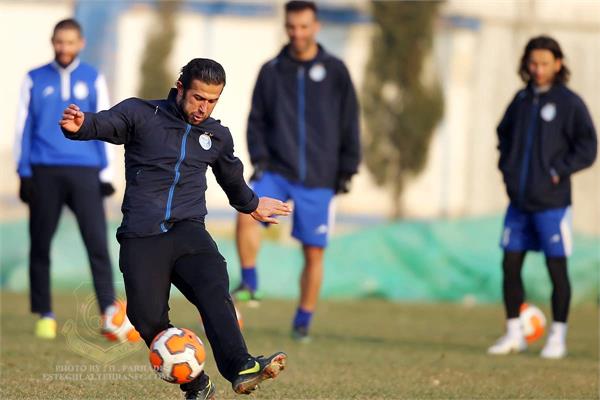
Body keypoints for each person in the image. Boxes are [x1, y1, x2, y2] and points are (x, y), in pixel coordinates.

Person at [60, 58, 290, 399]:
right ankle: (196, 384)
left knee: (213, 285)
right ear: (180, 87)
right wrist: (79, 125)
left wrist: (252, 204)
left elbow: (231, 180)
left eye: (212, 101)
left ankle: (241, 366)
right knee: (145, 317)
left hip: (188, 231)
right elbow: (103, 123)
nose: (204, 108)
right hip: (142, 235)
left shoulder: (217, 135)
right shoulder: (142, 114)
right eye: (198, 97)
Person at [233, 0, 361, 342]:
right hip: (275, 168)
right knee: (247, 209)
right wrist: (259, 157)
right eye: (291, 26)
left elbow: (350, 121)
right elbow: (255, 119)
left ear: (316, 27)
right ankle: (249, 280)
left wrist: (348, 167)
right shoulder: (272, 70)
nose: (297, 33)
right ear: (286, 27)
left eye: (304, 26)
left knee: (313, 252)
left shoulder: (335, 70)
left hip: (320, 174)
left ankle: (303, 320)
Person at [489, 35, 597, 359]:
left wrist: (557, 171)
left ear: (558, 64)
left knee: (556, 269)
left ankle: (557, 337)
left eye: (544, 64)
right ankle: (513, 334)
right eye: (533, 64)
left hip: (552, 204)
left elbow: (588, 147)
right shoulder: (521, 100)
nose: (538, 70)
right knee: (509, 265)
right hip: (519, 204)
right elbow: (502, 136)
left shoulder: (569, 103)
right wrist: (507, 170)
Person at [14, 18, 118, 340]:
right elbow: (23, 127)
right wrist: (24, 172)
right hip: (44, 170)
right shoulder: (33, 79)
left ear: (81, 44)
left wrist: (106, 172)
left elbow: (104, 123)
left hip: (85, 170)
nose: (64, 48)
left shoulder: (93, 77)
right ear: (53, 41)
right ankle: (45, 313)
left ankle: (109, 312)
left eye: (70, 42)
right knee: (40, 245)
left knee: (97, 243)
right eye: (60, 41)